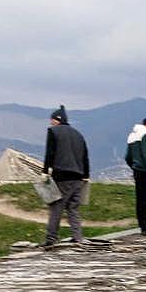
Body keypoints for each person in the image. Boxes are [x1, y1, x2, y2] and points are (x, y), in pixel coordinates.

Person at [42, 105, 90, 248]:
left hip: (62, 175)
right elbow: (85, 156)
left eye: (52, 120)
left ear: (57, 120)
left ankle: (51, 238)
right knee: (73, 208)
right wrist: (86, 175)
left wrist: (45, 172)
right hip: (79, 177)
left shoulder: (53, 132)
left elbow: (50, 153)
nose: (50, 122)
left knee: (56, 206)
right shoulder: (78, 134)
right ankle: (77, 237)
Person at [125, 118, 146, 236]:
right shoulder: (144, 134)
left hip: (136, 171)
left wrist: (134, 166)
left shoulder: (131, 136)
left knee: (139, 200)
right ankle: (145, 228)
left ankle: (142, 226)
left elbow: (127, 157)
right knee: (145, 200)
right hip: (144, 171)